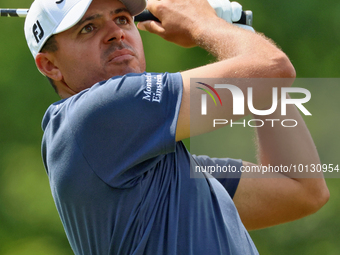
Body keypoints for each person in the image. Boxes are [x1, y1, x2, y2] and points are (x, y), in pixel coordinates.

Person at [24, 0, 329, 254]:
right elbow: (273, 71)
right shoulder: (95, 113)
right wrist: (202, 23)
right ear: (50, 65)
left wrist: (238, 34)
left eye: (122, 18)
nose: (116, 33)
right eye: (88, 27)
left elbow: (302, 189)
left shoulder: (162, 166)